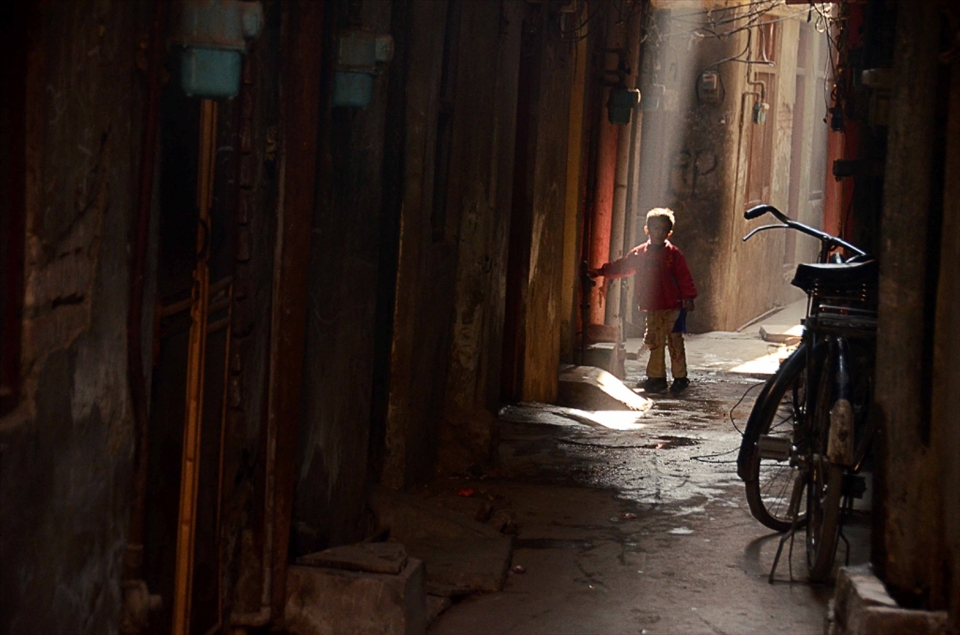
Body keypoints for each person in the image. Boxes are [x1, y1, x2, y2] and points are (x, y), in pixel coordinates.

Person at [591, 208, 697, 393]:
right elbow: (623, 266)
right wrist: (602, 272)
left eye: (663, 230)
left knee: (675, 341)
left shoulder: (674, 255)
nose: (659, 233)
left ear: (668, 233)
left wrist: (688, 297)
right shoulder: (640, 254)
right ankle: (656, 378)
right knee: (654, 341)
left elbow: (684, 277)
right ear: (647, 229)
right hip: (653, 306)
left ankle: (680, 377)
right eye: (655, 229)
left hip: (674, 306)